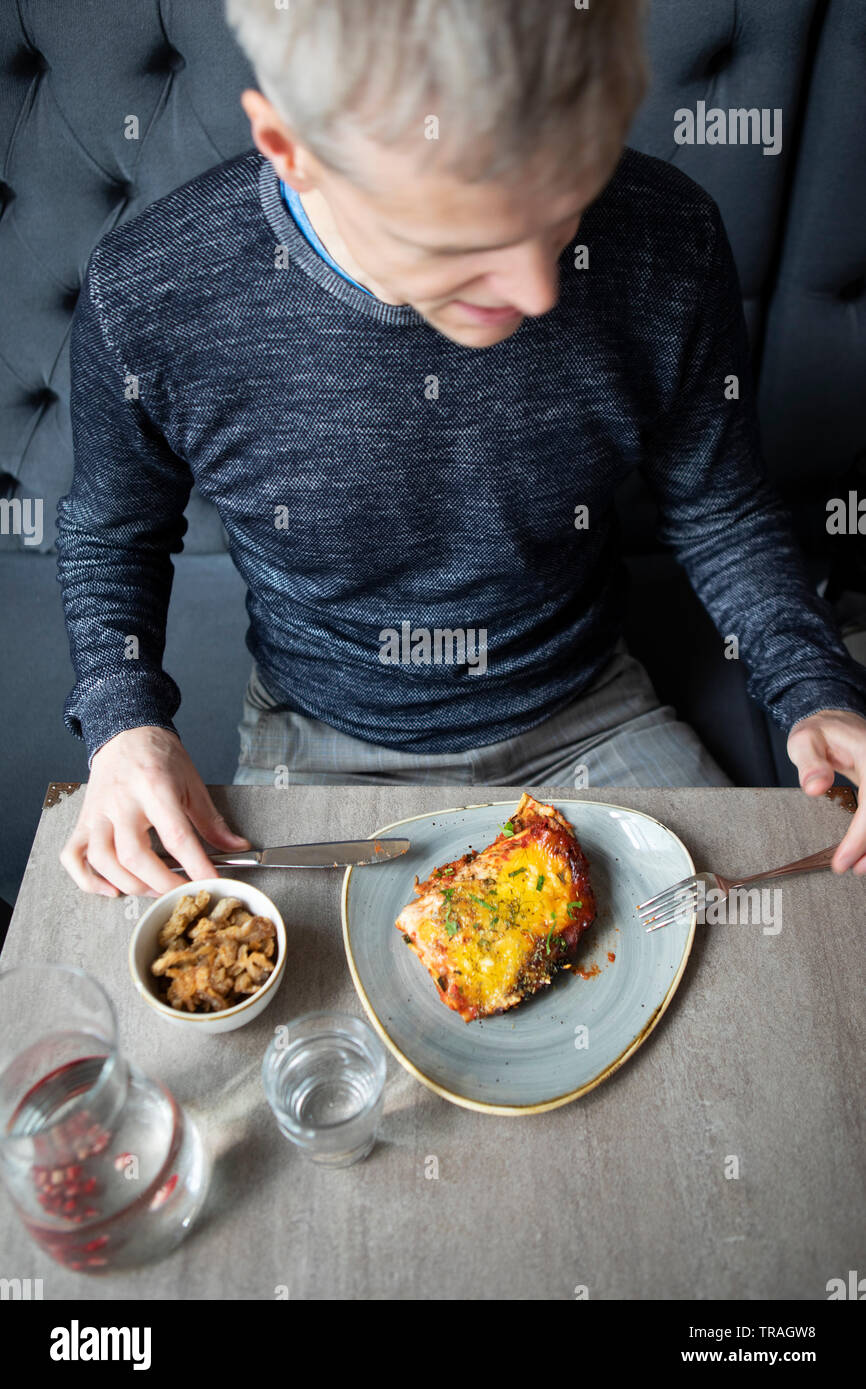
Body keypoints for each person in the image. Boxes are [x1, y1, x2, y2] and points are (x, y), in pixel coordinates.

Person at [56, 0, 866, 897]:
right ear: (292, 147)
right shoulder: (152, 291)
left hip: (592, 709)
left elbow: (722, 503)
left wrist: (817, 685)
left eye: (566, 211)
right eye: (465, 241)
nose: (539, 290)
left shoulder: (670, 232)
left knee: (758, 983)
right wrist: (122, 721)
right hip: (318, 736)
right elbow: (111, 532)